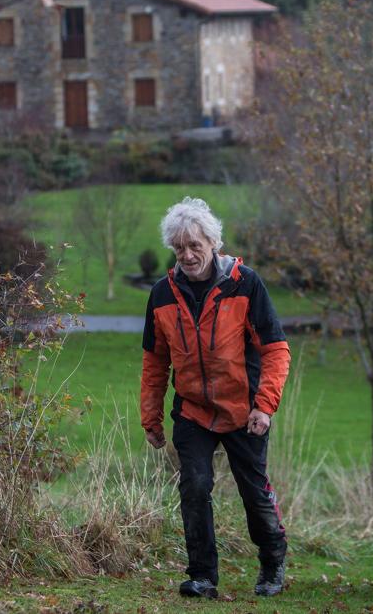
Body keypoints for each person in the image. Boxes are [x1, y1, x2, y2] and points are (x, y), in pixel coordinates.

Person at [140, 197, 290, 599]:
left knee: (254, 493)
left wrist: (265, 405)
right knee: (194, 485)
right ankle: (202, 575)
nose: (188, 255)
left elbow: (276, 349)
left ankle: (273, 560)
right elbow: (155, 362)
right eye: (179, 248)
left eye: (195, 246)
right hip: (192, 411)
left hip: (244, 411)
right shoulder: (162, 295)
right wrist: (150, 417)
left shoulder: (246, 284)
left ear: (213, 244)